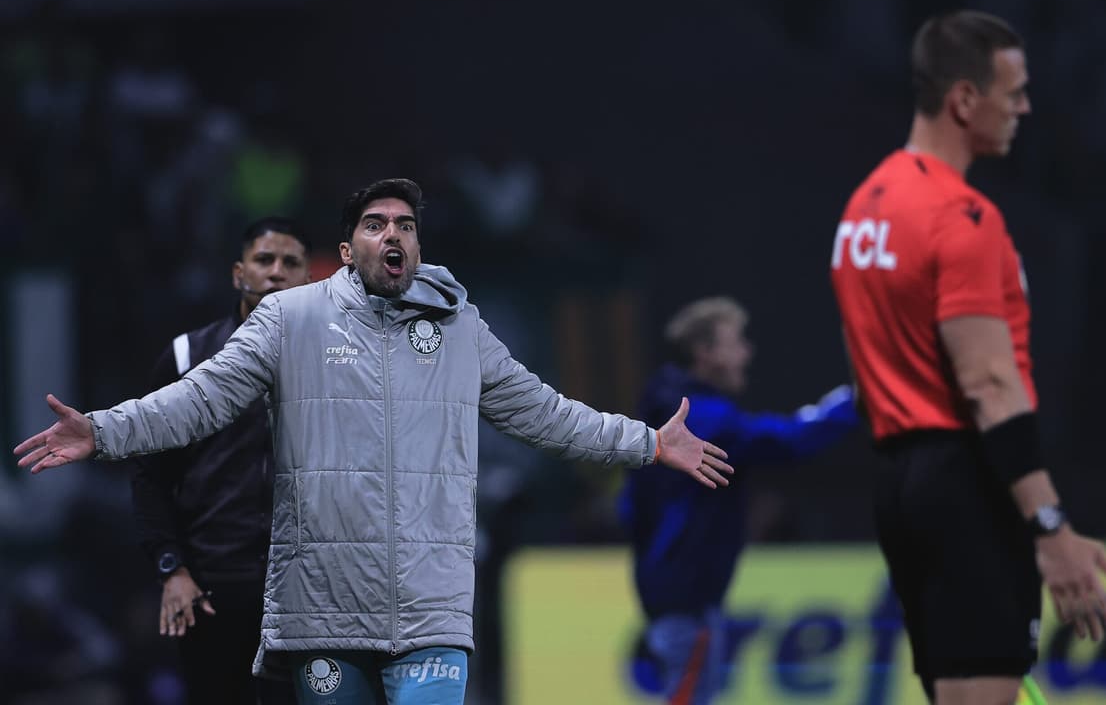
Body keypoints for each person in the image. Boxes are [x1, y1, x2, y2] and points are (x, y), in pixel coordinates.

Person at [14, 177, 733, 705]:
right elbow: (197, 402)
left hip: (431, 607)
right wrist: (103, 431)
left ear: (418, 245)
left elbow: (545, 413)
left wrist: (645, 442)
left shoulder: (461, 329)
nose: (392, 234)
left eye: (405, 225)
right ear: (346, 248)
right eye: (375, 223)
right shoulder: (290, 321)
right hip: (323, 612)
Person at [828, 10, 1106, 705]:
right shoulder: (961, 218)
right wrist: (1049, 526)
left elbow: (864, 370)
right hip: (968, 480)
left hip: (899, 485)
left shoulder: (864, 210)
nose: (1024, 107)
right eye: (1013, 91)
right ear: (964, 99)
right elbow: (991, 382)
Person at [619, 296, 859, 704]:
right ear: (705, 352)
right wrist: (856, 398)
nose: (746, 352)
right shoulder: (699, 419)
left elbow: (629, 508)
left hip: (673, 594)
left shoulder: (665, 404)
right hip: (685, 598)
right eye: (736, 342)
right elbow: (785, 440)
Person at [130, 216, 311, 704]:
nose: (276, 272)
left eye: (290, 262)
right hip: (211, 589)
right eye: (264, 260)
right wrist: (172, 569)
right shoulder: (188, 356)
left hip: (307, 595)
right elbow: (149, 474)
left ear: (309, 278)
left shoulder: (335, 362)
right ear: (239, 273)